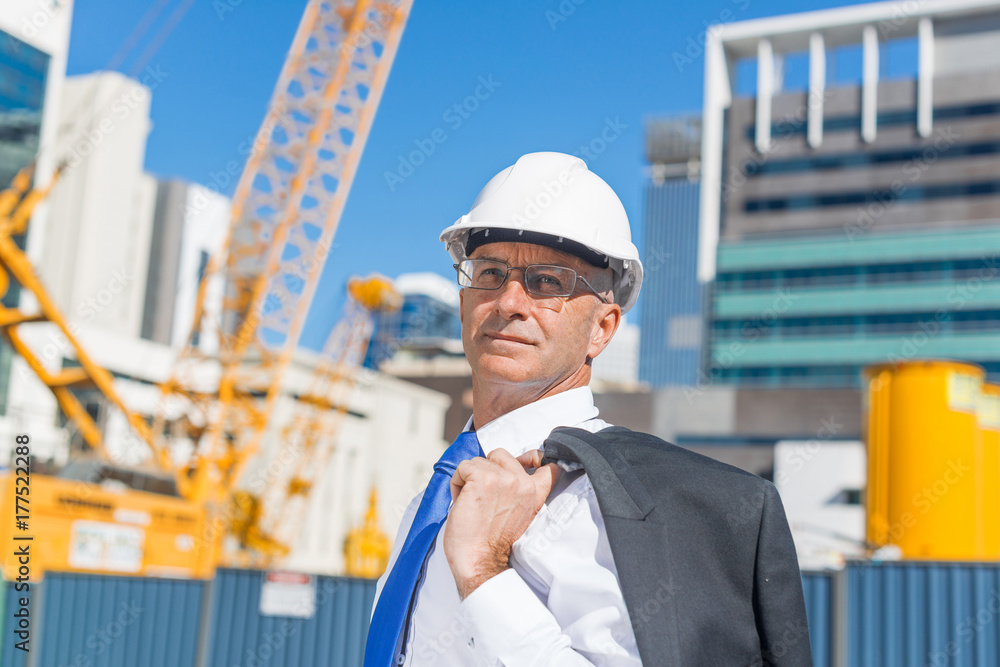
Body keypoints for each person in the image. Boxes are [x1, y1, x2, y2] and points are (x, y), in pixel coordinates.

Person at [364, 151, 811, 666]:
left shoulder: (623, 508)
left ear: (603, 329)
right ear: (464, 301)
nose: (509, 301)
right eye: (489, 272)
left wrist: (485, 573)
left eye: (548, 282)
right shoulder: (431, 498)